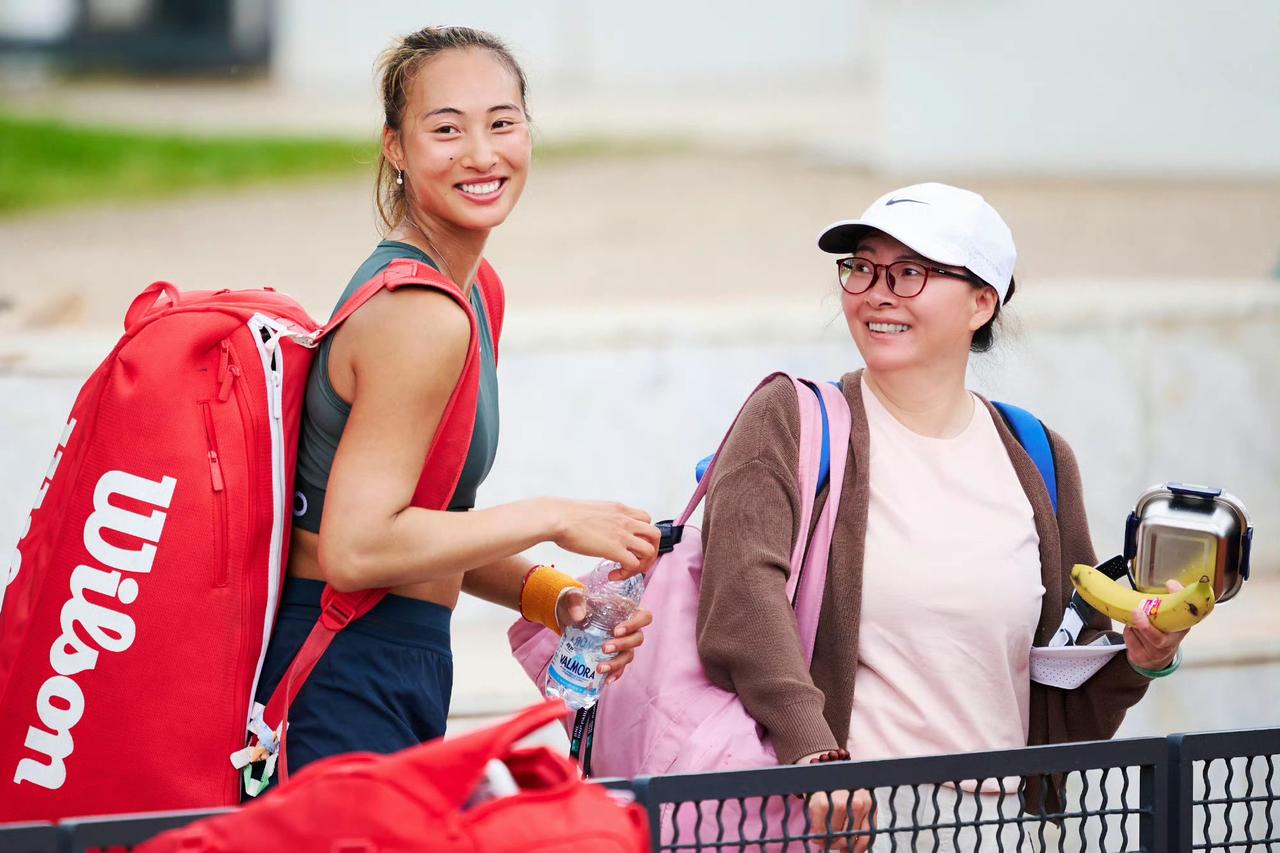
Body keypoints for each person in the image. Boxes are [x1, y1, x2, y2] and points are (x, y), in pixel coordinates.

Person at [695, 182, 1190, 850]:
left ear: (983, 301)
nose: (876, 291)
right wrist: (816, 755)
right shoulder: (791, 418)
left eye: (911, 273)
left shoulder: (1039, 456)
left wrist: (1141, 657)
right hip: (846, 820)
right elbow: (741, 599)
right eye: (862, 266)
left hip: (1007, 827)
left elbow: (1065, 698)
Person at [251, 26, 659, 787]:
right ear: (395, 149)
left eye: (502, 122)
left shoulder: (472, 293)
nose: (481, 153)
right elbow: (358, 550)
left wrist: (554, 597)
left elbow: (427, 523)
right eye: (446, 129)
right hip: (343, 665)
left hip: (397, 657)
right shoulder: (420, 314)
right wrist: (552, 515)